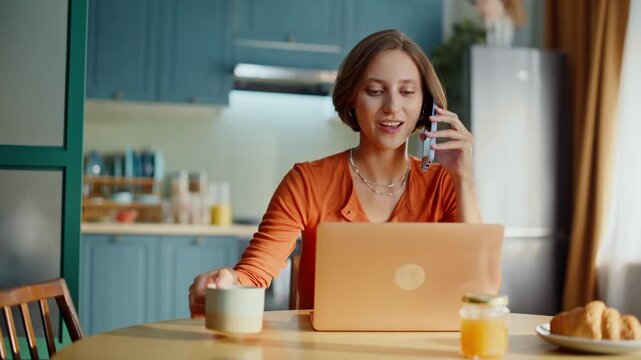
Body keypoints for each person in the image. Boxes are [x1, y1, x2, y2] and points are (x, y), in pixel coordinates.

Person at [189, 29, 482, 317]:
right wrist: (227, 281)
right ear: (352, 98)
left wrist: (464, 178)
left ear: (425, 106)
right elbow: (253, 275)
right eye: (375, 91)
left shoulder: (444, 182)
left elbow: (477, 287)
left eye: (407, 92)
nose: (392, 107)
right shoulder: (307, 182)